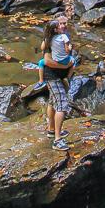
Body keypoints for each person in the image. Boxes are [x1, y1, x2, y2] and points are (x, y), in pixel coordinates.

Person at [41, 17, 76, 151]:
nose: (63, 26)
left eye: (64, 23)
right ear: (54, 29)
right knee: (61, 105)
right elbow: (47, 62)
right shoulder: (49, 42)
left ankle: (51, 130)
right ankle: (57, 140)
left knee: (52, 102)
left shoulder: (63, 36)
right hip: (52, 76)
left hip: (59, 76)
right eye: (60, 24)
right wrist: (67, 65)